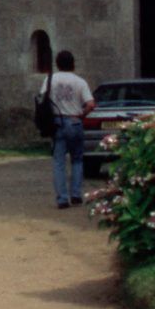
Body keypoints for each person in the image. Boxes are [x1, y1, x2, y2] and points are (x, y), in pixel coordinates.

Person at [45, 50, 95, 209]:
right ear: (73, 63)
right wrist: (82, 114)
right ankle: (76, 195)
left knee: (59, 161)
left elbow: (42, 99)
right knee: (77, 159)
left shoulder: (50, 80)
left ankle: (61, 199)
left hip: (57, 122)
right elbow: (90, 104)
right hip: (74, 121)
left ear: (57, 63)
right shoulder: (80, 81)